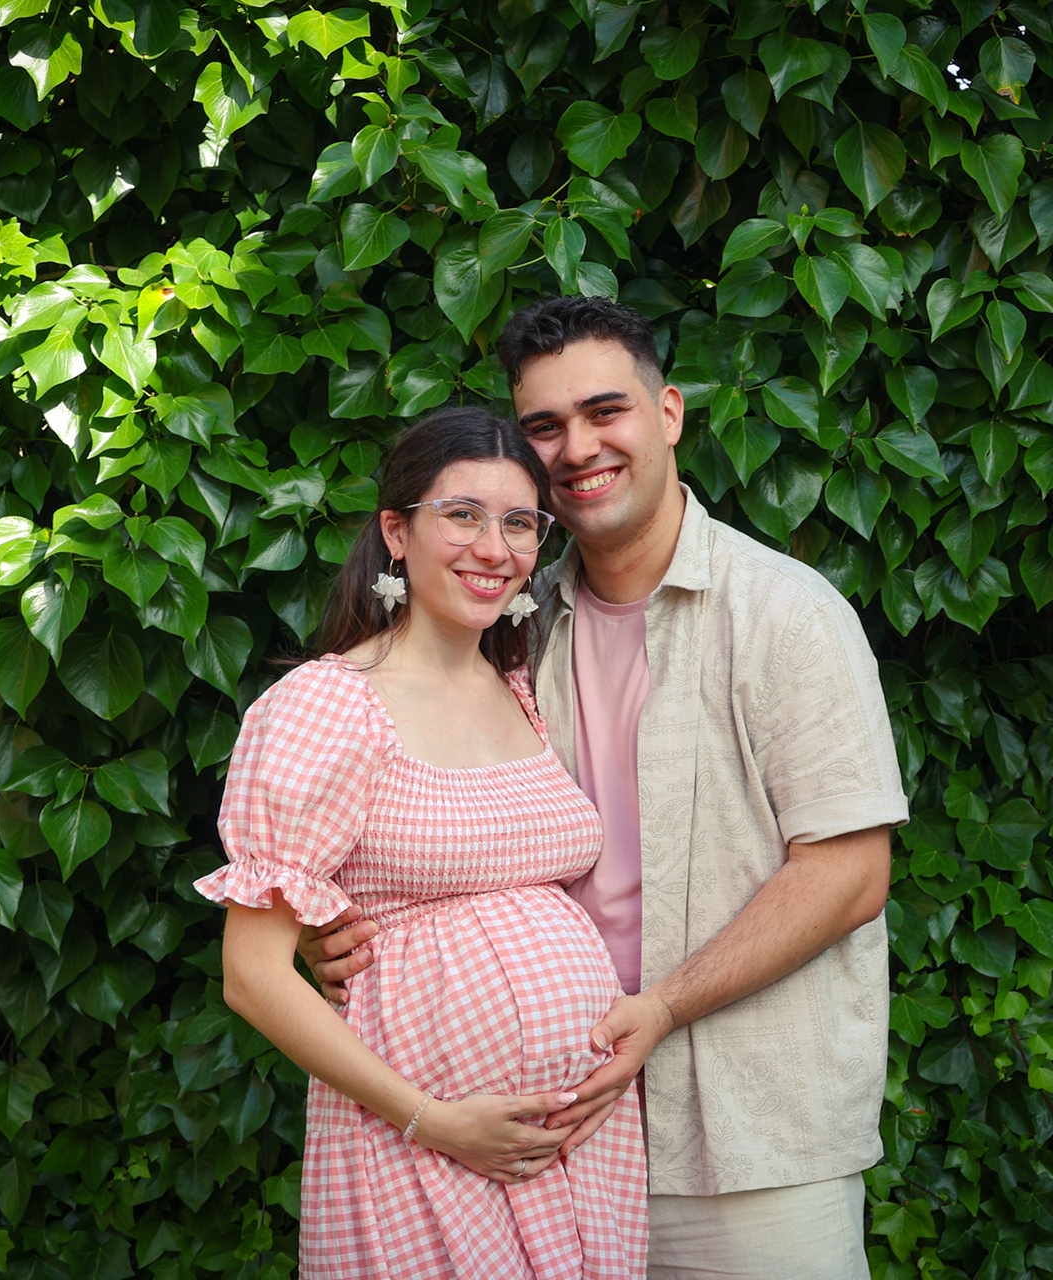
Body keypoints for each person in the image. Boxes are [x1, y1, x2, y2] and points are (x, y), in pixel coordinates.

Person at [306, 298, 909, 1279]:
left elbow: (848, 874)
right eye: (544, 426)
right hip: (544, 1142)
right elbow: (408, 816)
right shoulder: (509, 627)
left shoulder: (785, 614)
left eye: (605, 410)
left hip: (748, 1147)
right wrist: (327, 927)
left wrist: (663, 1005)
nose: (578, 446)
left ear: (668, 414)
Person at [195, 406, 647, 1279]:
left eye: (520, 522)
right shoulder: (329, 706)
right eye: (462, 515)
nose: (494, 547)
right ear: (396, 533)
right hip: (421, 1140)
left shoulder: (521, 686)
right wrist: (433, 1121)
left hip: (578, 1147)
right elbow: (252, 977)